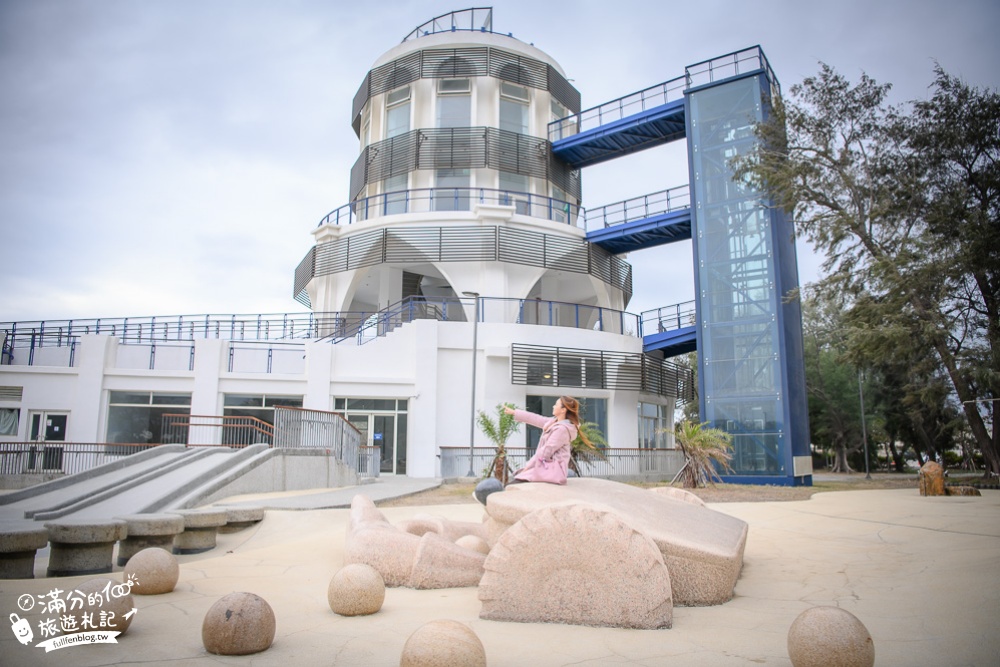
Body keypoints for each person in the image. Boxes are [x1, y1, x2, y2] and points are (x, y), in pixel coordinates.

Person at [505, 396, 589, 485]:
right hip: (546, 466)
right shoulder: (553, 422)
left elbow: (546, 451)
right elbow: (536, 418)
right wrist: (515, 412)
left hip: (552, 470)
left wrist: (528, 467)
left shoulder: (562, 430)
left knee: (513, 485)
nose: (553, 406)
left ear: (563, 410)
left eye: (556, 404)